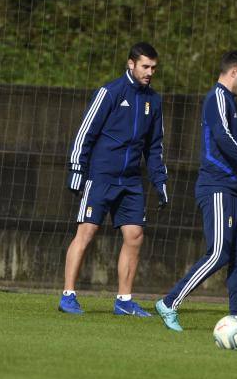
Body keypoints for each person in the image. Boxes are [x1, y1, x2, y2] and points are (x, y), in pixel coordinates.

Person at [154, 51, 237, 333]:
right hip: (216, 186)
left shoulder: (229, 101)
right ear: (235, 72)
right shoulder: (216, 97)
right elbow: (222, 137)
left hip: (231, 189)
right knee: (218, 253)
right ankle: (169, 302)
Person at [59, 42, 167, 316]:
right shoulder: (109, 92)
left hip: (131, 181)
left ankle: (124, 300)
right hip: (101, 176)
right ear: (131, 64)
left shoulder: (153, 101)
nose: (150, 72)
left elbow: (154, 147)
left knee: (135, 235)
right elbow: (85, 134)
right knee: (87, 231)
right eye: (145, 66)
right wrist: (77, 170)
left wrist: (159, 180)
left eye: (153, 67)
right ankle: (68, 296)